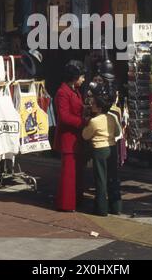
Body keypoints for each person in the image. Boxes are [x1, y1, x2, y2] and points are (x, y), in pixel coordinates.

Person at [82, 83, 122, 216]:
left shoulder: (94, 121)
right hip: (112, 147)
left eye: (93, 104)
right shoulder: (112, 117)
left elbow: (85, 135)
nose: (91, 105)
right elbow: (117, 133)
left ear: (98, 107)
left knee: (100, 179)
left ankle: (101, 208)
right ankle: (116, 206)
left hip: (99, 150)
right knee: (113, 178)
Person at [54, 60, 85, 212]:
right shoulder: (63, 92)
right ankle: (66, 204)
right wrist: (82, 122)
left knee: (76, 172)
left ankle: (75, 200)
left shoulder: (74, 90)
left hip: (76, 137)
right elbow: (64, 116)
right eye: (81, 76)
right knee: (69, 172)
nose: (83, 79)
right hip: (68, 137)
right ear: (74, 77)